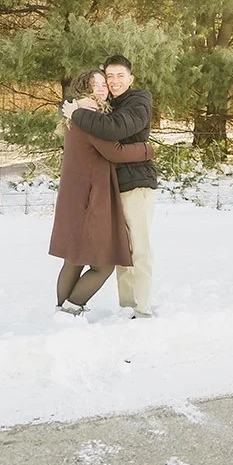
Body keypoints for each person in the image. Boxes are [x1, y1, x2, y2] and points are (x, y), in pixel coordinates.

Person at [49, 68, 155, 316]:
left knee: (74, 258)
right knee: (103, 264)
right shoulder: (90, 117)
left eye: (102, 84)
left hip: (75, 194)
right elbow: (115, 151)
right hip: (90, 195)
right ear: (84, 90)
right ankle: (71, 309)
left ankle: (61, 310)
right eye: (94, 85)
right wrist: (147, 150)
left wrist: (72, 105)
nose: (102, 88)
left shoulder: (76, 115)